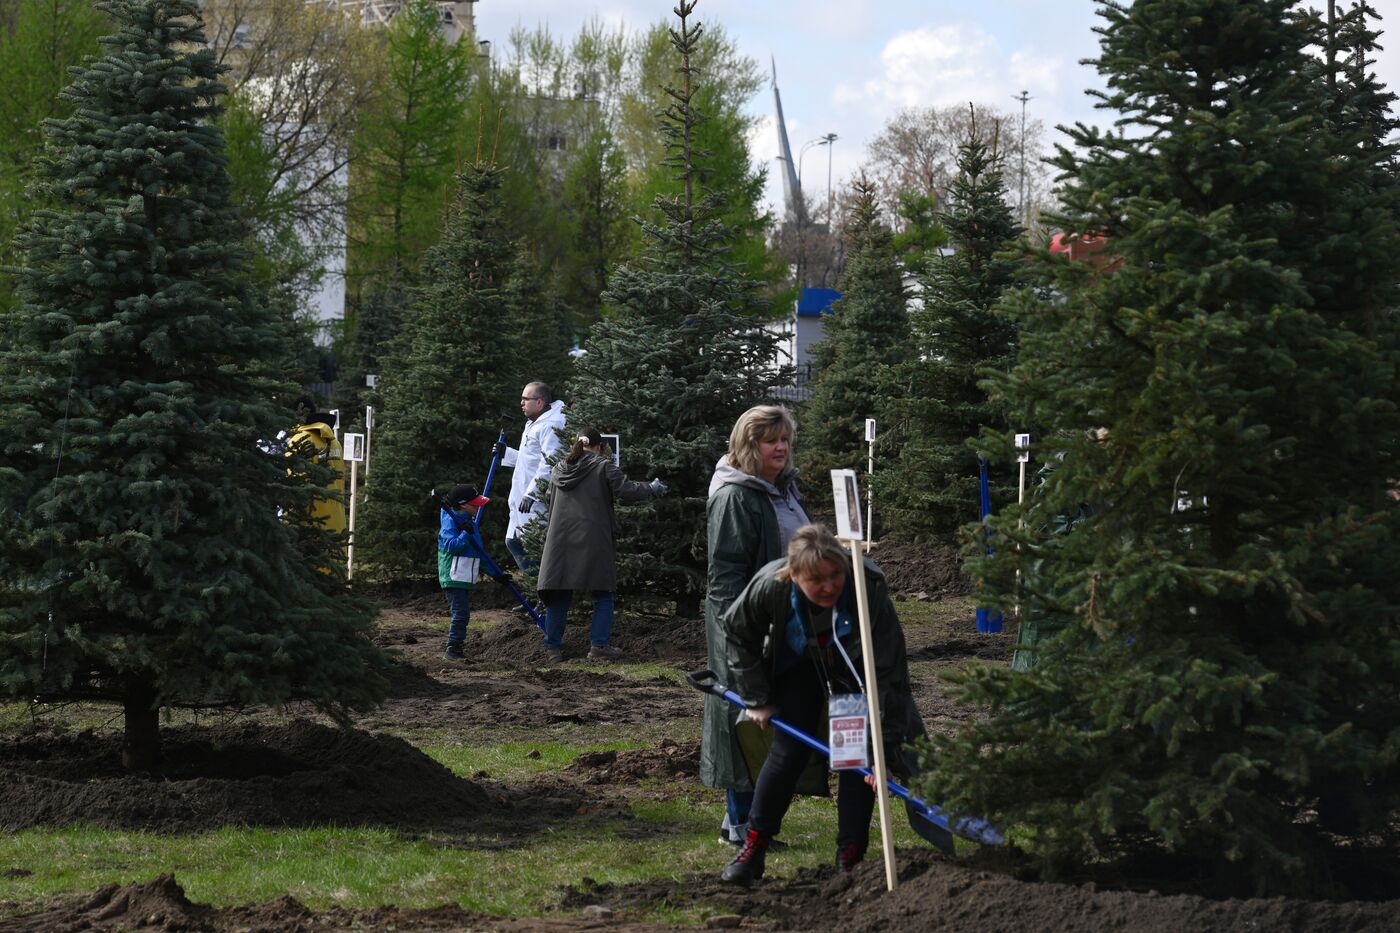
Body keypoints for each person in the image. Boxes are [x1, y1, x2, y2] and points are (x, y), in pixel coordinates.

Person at [717, 524, 951, 885]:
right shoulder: (770, 585)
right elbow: (736, 632)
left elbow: (888, 673)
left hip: (852, 672)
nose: (829, 586)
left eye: (835, 575)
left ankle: (849, 858)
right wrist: (757, 697)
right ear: (794, 575)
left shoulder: (866, 585)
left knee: (855, 759)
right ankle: (754, 847)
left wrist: (883, 750)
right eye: (816, 579)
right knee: (787, 752)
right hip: (799, 668)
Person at [702, 405, 811, 846]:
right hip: (747, 623)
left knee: (770, 716)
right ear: (749, 446)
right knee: (745, 717)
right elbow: (726, 576)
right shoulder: (735, 497)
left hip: (784, 618)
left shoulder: (779, 489)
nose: (781, 447)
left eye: (785, 439)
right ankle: (742, 822)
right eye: (771, 440)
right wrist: (740, 635)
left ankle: (743, 820)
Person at [535, 428, 667, 663]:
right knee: (603, 592)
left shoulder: (558, 469)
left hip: (560, 540)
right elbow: (626, 490)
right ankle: (598, 646)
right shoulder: (603, 466)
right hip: (593, 537)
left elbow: (550, 498)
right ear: (599, 446)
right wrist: (652, 488)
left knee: (558, 594)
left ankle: (552, 648)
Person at [495, 382, 568, 580]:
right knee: (512, 541)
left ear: (540, 401)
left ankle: (542, 594)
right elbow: (529, 459)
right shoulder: (534, 422)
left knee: (535, 546)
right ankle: (533, 590)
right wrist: (507, 454)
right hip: (521, 496)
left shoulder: (552, 425)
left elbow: (549, 463)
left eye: (526, 399)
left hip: (534, 500)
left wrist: (532, 493)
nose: (521, 403)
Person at [436, 483, 492, 661]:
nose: (479, 506)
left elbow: (479, 552)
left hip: (464, 574)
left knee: (462, 613)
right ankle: (453, 650)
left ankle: (455, 648)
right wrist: (465, 535)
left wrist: (497, 574)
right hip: (452, 575)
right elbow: (451, 546)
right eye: (475, 504)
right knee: (460, 614)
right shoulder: (450, 520)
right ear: (462, 505)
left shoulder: (469, 522)